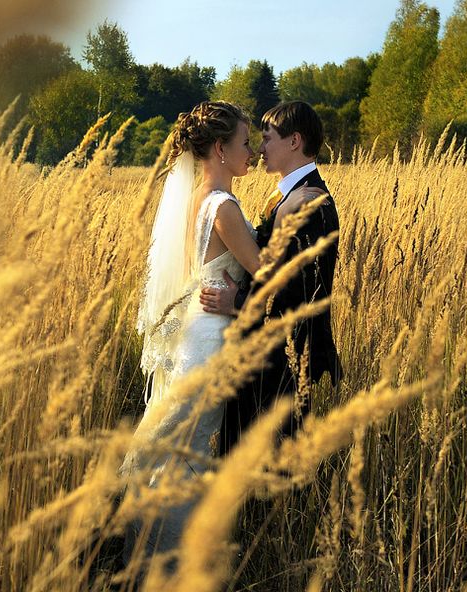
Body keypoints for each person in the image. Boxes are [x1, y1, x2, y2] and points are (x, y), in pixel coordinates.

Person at [119, 101, 322, 579]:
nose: (252, 151)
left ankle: (150, 563)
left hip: (191, 335)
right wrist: (288, 218)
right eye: (245, 143)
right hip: (209, 342)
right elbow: (271, 276)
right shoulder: (223, 206)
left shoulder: (197, 200)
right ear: (219, 148)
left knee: (176, 451)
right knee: (186, 458)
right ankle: (172, 570)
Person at [199, 100, 343, 456]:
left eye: (267, 138)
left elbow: (302, 293)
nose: (260, 149)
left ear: (294, 141)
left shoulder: (310, 202)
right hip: (261, 358)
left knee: (270, 465)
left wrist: (238, 303)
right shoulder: (287, 197)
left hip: (282, 362)